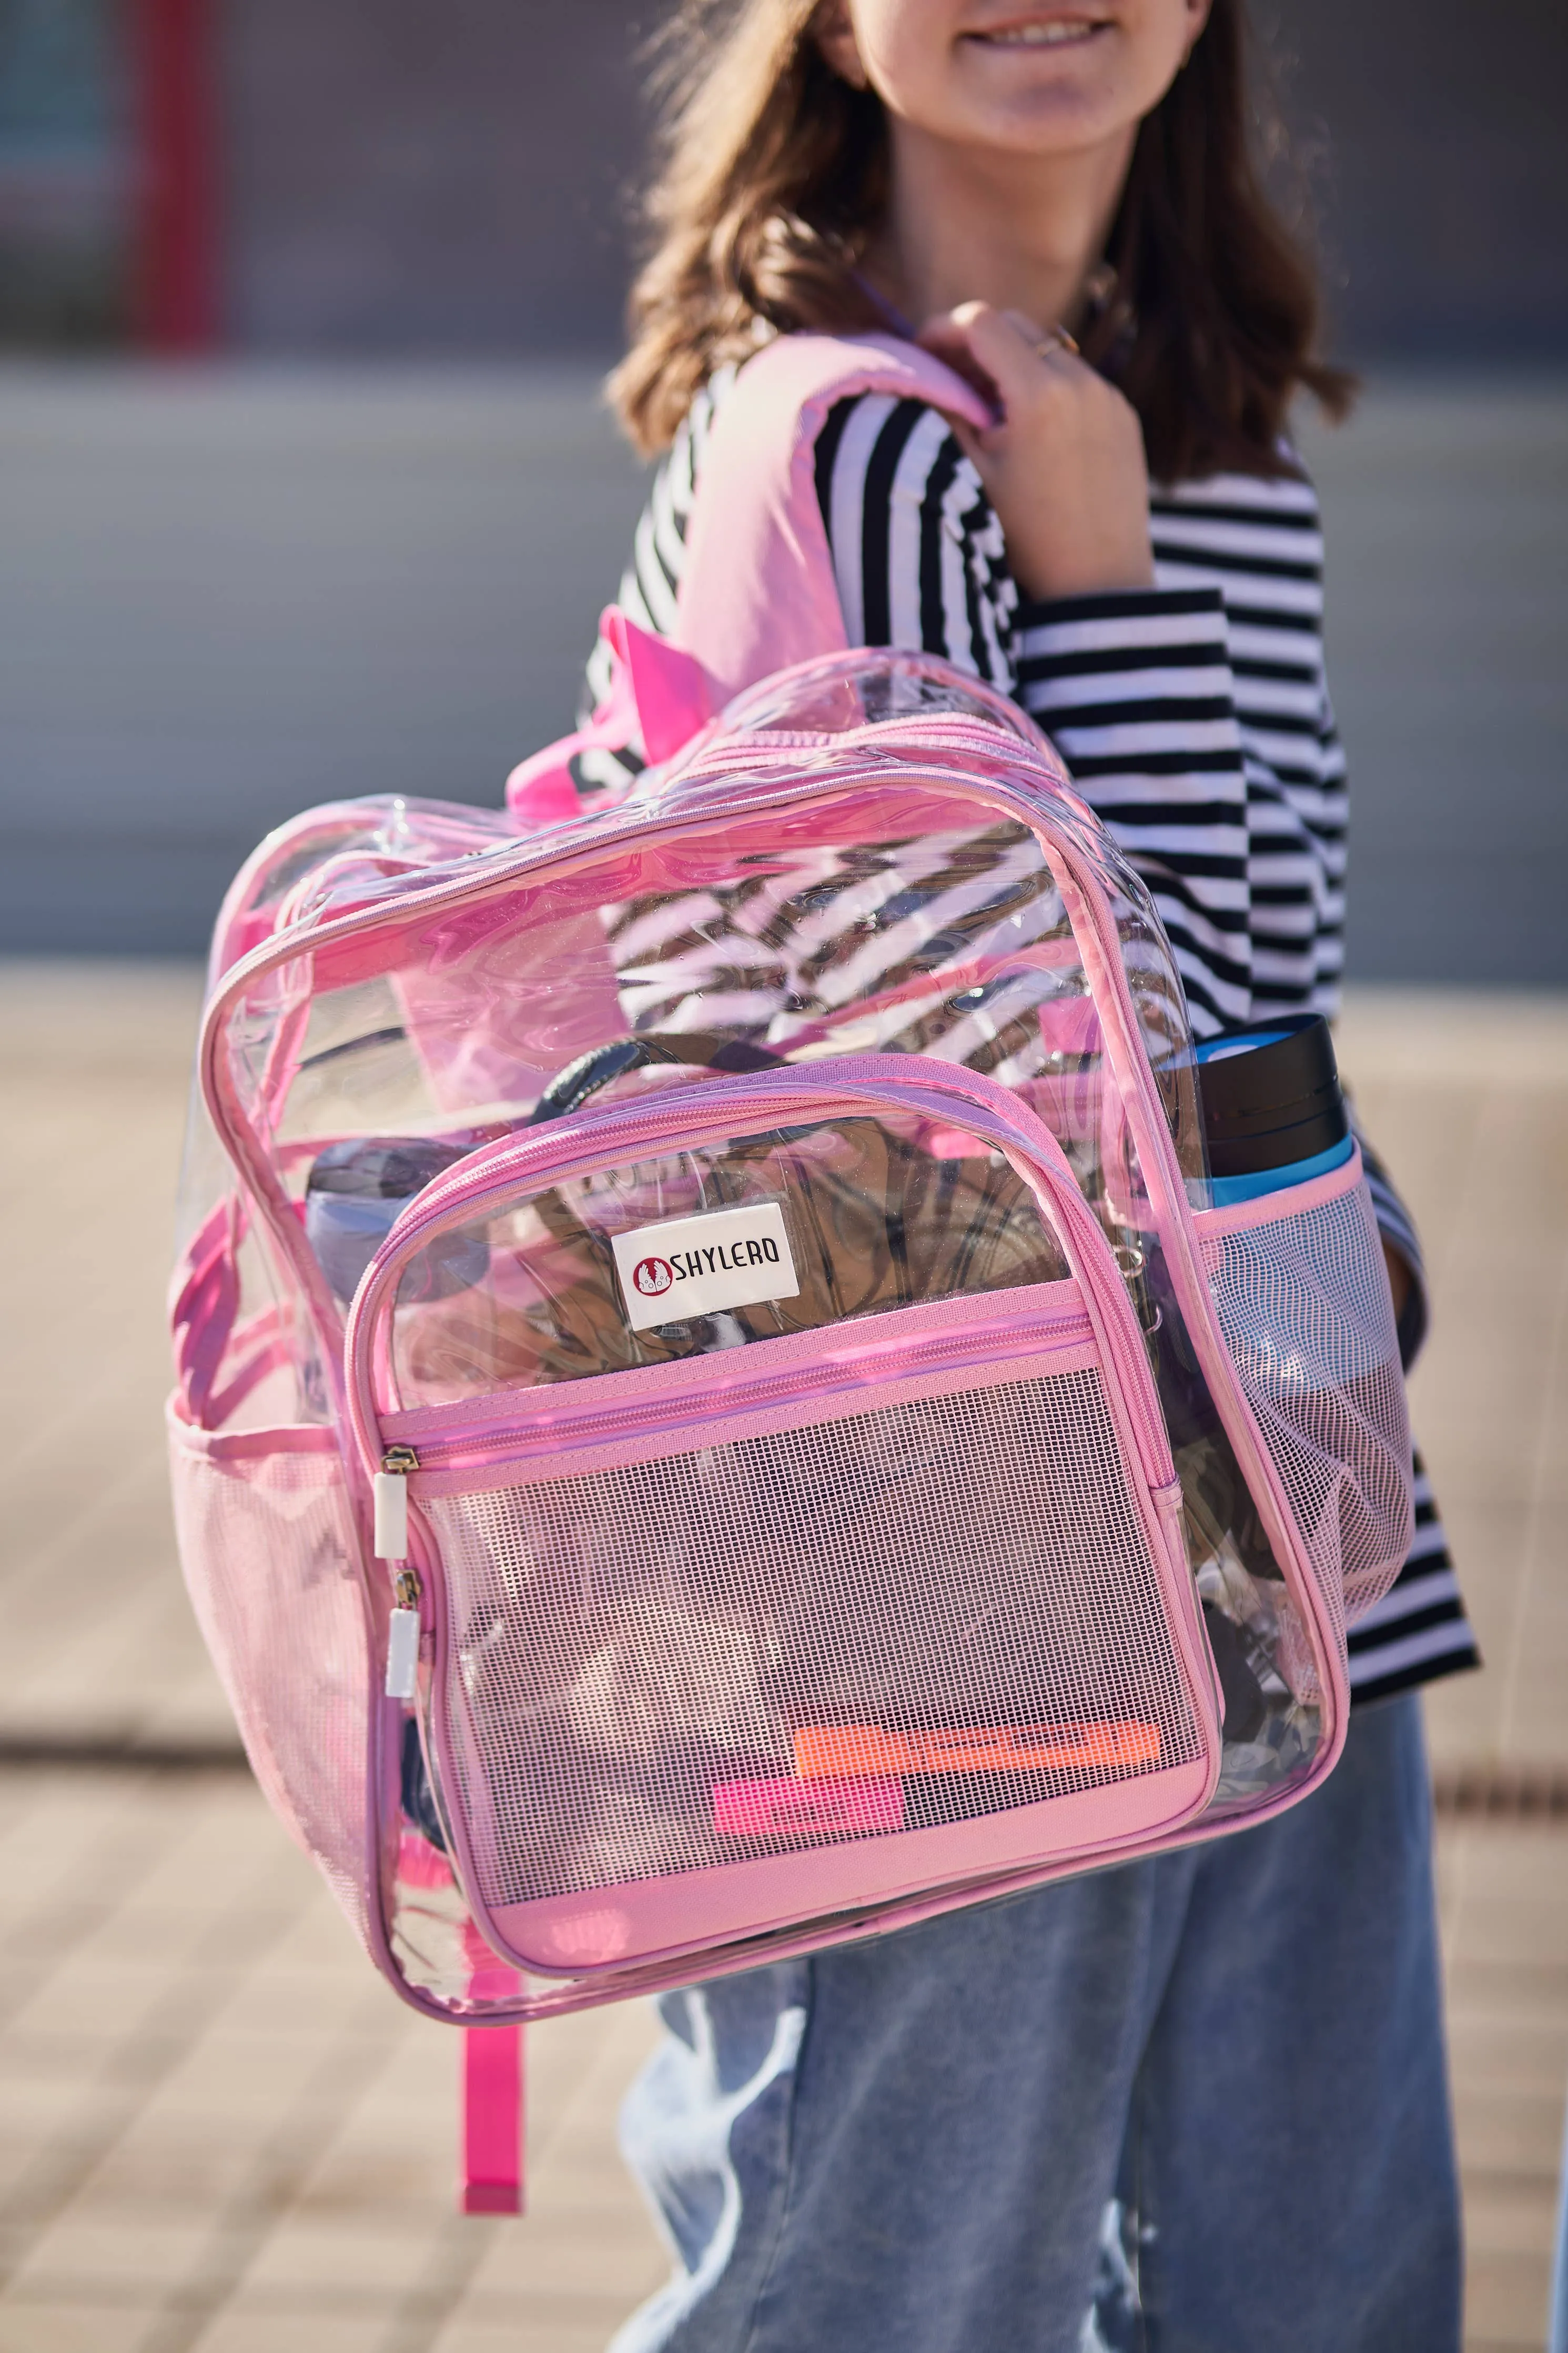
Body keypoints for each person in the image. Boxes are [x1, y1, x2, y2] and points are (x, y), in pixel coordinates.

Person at [577, 4, 1480, 2345]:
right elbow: (1056, 1095)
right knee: (893, 2299)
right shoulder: (870, 446)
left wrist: (1128, 556)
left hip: (1283, 1515)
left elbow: (1263, 986)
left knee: (1321, 2302)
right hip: (977, 1578)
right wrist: (1097, 595)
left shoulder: (1205, 449)